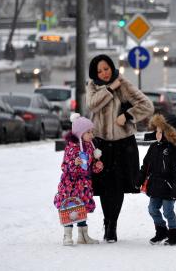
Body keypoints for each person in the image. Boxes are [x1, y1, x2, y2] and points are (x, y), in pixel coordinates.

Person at [86, 54, 154, 243]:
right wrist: (109, 89)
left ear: (112, 67)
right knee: (103, 186)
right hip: (100, 144)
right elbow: (92, 105)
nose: (104, 73)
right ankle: (107, 221)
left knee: (116, 187)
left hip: (123, 143)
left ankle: (111, 226)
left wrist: (128, 116)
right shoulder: (92, 86)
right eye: (99, 71)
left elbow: (147, 105)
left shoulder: (123, 83)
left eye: (106, 69)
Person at [136, 114, 176, 246]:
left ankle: (175, 234)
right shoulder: (154, 147)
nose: (157, 134)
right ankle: (161, 231)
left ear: (169, 133)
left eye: (160, 132)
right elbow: (146, 165)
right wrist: (139, 180)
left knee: (168, 211)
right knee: (152, 209)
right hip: (155, 186)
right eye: (156, 131)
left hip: (169, 188)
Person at [54, 113, 104, 246]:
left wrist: (97, 166)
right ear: (80, 133)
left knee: (82, 207)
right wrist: (74, 163)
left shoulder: (89, 146)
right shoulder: (72, 147)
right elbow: (64, 166)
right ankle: (67, 235)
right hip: (70, 184)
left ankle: (83, 235)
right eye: (88, 132)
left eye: (92, 132)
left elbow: (89, 166)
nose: (91, 135)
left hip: (84, 184)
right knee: (70, 208)